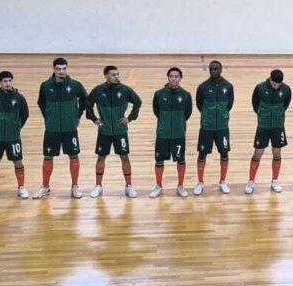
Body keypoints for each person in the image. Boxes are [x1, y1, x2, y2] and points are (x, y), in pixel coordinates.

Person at [85, 66, 142, 199]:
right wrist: (94, 119)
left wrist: (130, 118)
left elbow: (138, 102)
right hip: (104, 131)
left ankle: (129, 186)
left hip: (120, 131)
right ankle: (98, 185)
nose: (116, 77)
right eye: (113, 75)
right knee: (101, 157)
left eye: (117, 74)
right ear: (106, 76)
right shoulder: (98, 90)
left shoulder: (125, 90)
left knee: (124, 157)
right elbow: (87, 103)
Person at [35, 57, 88, 199]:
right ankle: (45, 187)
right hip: (52, 129)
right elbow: (41, 102)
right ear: (53, 69)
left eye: (64, 69)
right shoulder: (45, 86)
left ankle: (75, 186)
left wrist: (78, 116)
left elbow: (85, 99)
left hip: (69, 128)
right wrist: (48, 117)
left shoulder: (75, 85)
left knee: (74, 156)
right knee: (48, 157)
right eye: (58, 69)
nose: (61, 71)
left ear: (67, 69)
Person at [0, 71, 30, 199]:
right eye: (5, 81)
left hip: (13, 137)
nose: (8, 83)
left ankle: (21, 187)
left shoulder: (19, 98)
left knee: (18, 162)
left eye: (10, 80)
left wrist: (17, 126)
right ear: (0, 82)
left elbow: (25, 114)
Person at [247, 69, 291, 195]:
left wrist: (278, 115)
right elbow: (255, 104)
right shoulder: (260, 88)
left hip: (278, 126)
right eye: (274, 84)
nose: (276, 86)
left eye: (278, 85)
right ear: (270, 79)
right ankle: (251, 181)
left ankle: (275, 181)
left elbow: (285, 105)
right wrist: (262, 116)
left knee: (277, 153)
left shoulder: (286, 89)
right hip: (263, 126)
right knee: (257, 153)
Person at [151, 67, 193, 198]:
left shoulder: (186, 95)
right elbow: (156, 111)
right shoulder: (159, 94)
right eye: (171, 76)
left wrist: (178, 123)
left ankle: (180, 186)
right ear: (168, 78)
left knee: (181, 160)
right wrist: (165, 122)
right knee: (159, 160)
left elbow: (188, 113)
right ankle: (158, 186)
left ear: (180, 78)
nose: (173, 79)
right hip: (162, 134)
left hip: (179, 134)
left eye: (176, 76)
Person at [196, 60, 234, 195]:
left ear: (221, 69)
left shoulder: (228, 86)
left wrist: (222, 115)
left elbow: (229, 104)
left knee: (224, 153)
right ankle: (200, 182)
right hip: (207, 127)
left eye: (216, 69)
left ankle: (223, 181)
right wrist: (208, 115)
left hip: (222, 127)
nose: (213, 71)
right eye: (211, 68)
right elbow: (199, 105)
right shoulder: (203, 87)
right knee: (202, 154)